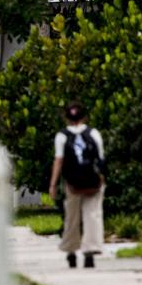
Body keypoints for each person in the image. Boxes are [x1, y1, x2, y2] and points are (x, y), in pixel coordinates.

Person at [49, 101, 106, 269]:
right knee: (92, 215)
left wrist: (53, 184)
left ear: (66, 117)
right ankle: (90, 251)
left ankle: (71, 251)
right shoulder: (94, 133)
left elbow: (59, 161)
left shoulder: (62, 136)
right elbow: (100, 158)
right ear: (85, 116)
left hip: (72, 183)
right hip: (93, 182)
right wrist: (102, 178)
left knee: (71, 217)